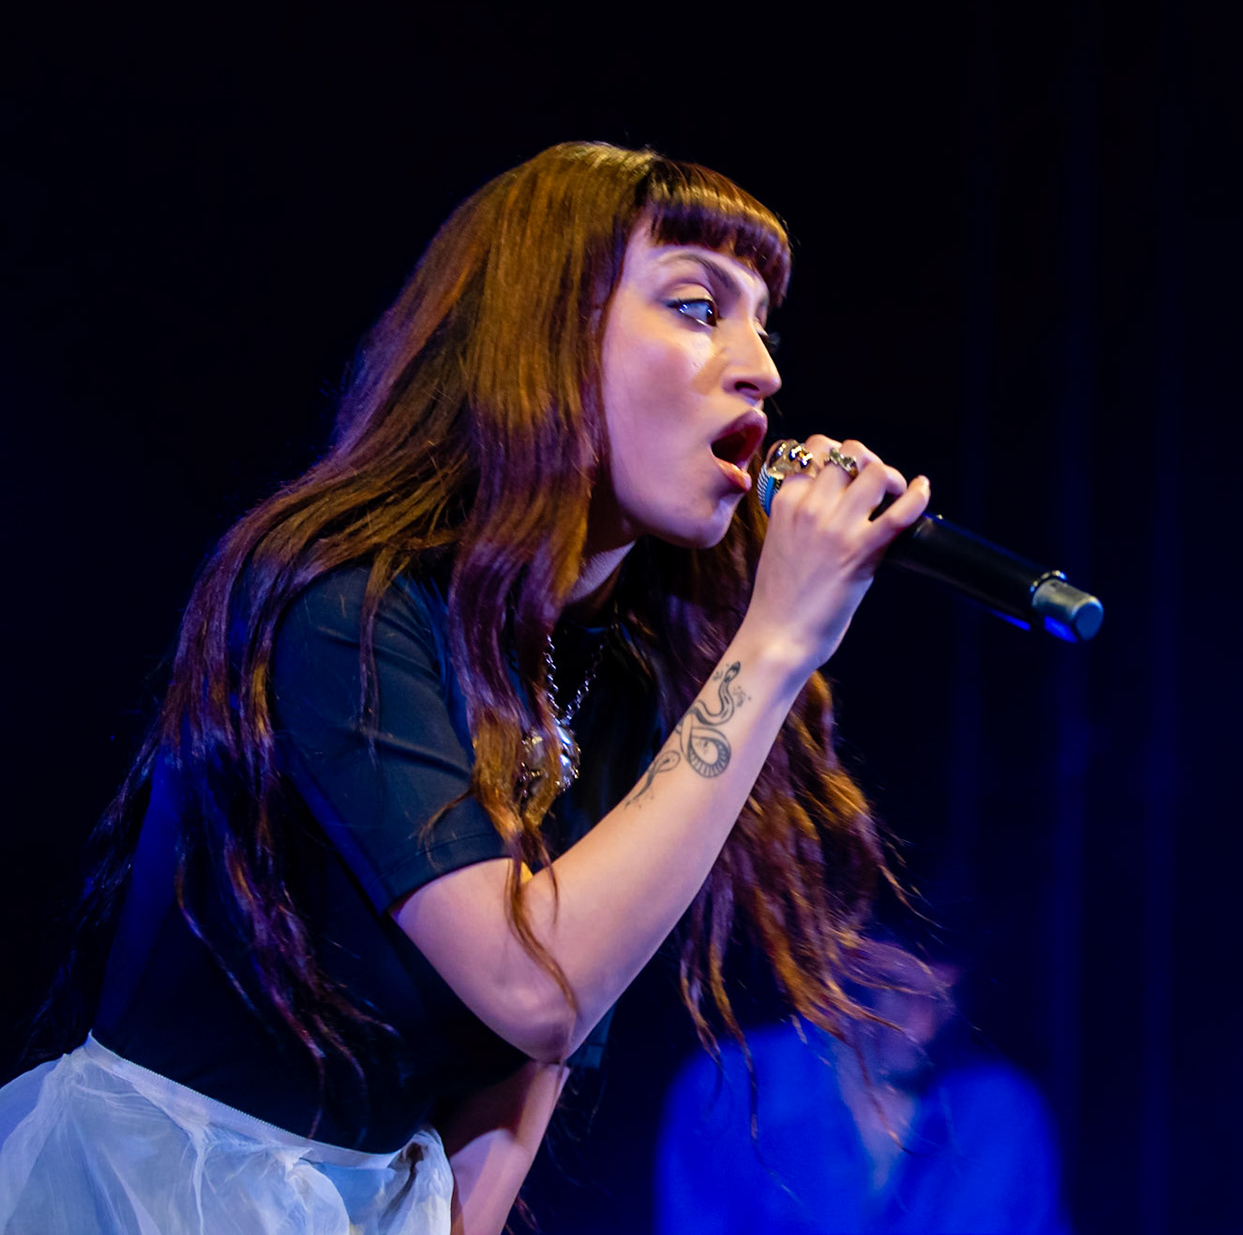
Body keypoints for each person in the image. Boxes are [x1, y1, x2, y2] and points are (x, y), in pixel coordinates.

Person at [0, 141, 932, 1234]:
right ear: (544, 336)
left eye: (765, 323)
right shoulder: (342, 599)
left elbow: (535, 1058)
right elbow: (527, 983)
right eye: (697, 306)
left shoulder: (616, 670)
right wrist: (774, 645)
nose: (763, 367)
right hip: (152, 1192)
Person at [655, 934, 1068, 1234]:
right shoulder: (733, 1088)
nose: (921, 1028)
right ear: (847, 972)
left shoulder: (1001, 1115)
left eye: (941, 998)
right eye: (897, 991)